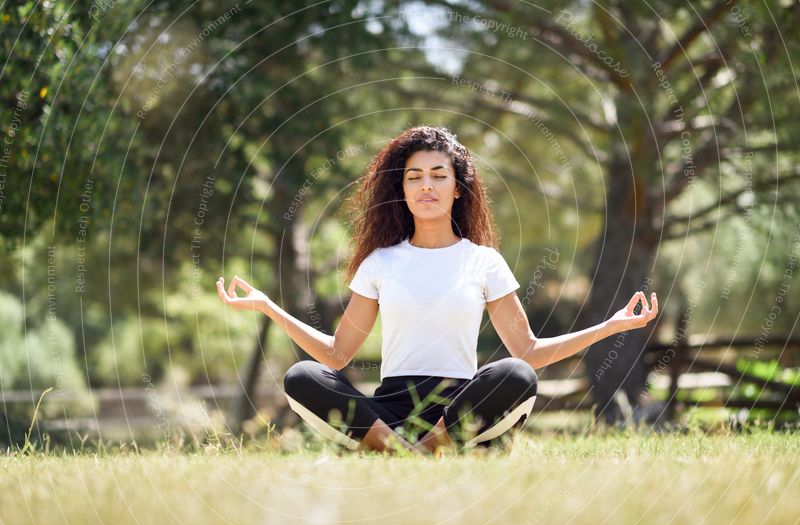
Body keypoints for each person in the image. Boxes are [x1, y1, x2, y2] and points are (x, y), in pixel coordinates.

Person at [217, 126, 658, 455]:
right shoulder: (380, 263)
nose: (426, 185)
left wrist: (613, 325)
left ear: (458, 187)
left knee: (516, 376)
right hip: (388, 411)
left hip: (459, 409)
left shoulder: (484, 261)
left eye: (438, 175)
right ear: (401, 189)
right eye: (414, 177)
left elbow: (528, 351)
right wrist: (267, 307)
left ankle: (430, 447)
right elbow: (337, 355)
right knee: (303, 377)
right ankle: (398, 447)